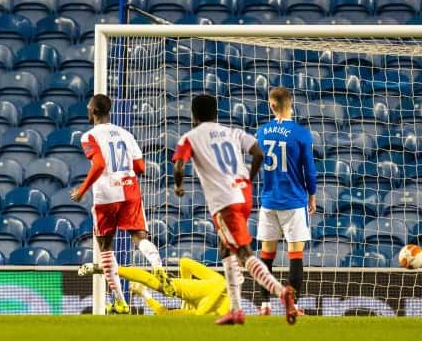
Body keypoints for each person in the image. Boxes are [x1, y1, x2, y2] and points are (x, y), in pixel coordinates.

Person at [172, 94, 298, 325]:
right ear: (215, 113)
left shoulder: (190, 137)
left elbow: (179, 165)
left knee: (243, 253)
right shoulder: (232, 131)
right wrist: (249, 179)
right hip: (243, 195)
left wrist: (178, 186)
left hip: (225, 201)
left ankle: (282, 292)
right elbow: (258, 152)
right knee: (226, 250)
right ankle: (236, 310)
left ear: (194, 115)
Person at [71, 94, 174, 314]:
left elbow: (98, 164)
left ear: (94, 112)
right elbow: (141, 167)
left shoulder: (88, 136)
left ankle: (120, 301)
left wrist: (82, 190)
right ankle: (158, 266)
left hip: (106, 195)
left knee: (106, 247)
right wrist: (124, 175)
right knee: (139, 237)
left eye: (89, 108)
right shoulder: (126, 134)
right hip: (130, 190)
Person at [256, 87, 317, 316]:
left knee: (266, 255)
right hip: (293, 200)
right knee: (295, 255)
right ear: (291, 103)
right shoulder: (301, 133)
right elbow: (309, 170)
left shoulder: (261, 132)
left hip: (269, 201)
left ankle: (264, 305)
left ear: (271, 105)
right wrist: (312, 195)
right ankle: (293, 305)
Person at [78, 257, 231, 316]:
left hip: (203, 289)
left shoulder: (219, 280)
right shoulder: (212, 314)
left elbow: (185, 262)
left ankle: (103, 268)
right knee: (158, 286)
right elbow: (199, 314)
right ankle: (103, 268)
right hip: (200, 298)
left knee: (155, 282)